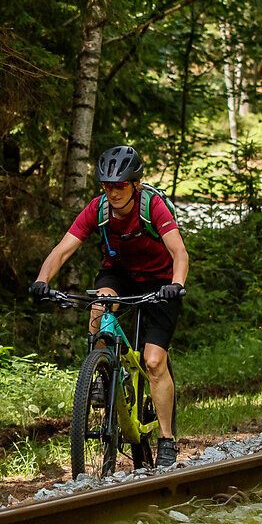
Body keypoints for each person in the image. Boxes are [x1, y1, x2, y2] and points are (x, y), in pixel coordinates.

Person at [28, 144, 190, 467]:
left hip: (161, 281)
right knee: (99, 308)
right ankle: (102, 374)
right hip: (120, 274)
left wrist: (176, 285)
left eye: (120, 185)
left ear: (135, 184)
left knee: (155, 361)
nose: (113, 192)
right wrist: (42, 280)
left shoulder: (152, 206)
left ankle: (167, 438)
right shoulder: (98, 210)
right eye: (107, 185)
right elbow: (63, 249)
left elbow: (179, 253)